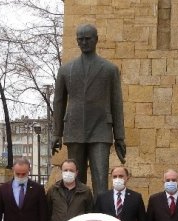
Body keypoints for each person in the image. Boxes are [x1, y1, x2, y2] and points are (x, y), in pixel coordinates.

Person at [51, 23, 126, 197]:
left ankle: (101, 217)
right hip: (74, 128)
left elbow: (117, 103)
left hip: (101, 128)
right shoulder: (65, 70)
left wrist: (120, 136)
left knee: (101, 178)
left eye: (88, 39)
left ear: (96, 40)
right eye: (80, 39)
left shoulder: (109, 69)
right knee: (76, 180)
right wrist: (57, 133)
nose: (84, 42)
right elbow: (59, 102)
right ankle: (79, 218)